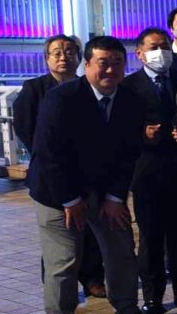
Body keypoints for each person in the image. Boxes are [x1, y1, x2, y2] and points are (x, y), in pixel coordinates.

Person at [29, 36, 146, 314]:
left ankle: (127, 310)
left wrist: (115, 198)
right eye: (103, 63)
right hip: (57, 192)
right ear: (87, 65)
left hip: (105, 190)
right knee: (64, 258)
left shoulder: (131, 100)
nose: (110, 70)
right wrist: (69, 200)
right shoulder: (62, 98)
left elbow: (130, 154)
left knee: (121, 247)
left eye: (117, 63)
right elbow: (48, 154)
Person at [13, 34, 107, 300]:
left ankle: (92, 278)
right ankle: (58, 287)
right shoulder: (34, 89)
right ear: (47, 59)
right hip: (50, 175)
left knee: (89, 232)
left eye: (69, 52)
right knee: (57, 235)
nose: (63, 57)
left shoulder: (88, 88)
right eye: (56, 52)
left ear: (79, 58)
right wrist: (49, 155)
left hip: (86, 174)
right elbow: (25, 128)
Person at [121, 27, 177, 314]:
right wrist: (140, 133)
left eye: (164, 46)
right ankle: (153, 297)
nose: (160, 52)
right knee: (151, 238)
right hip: (147, 172)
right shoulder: (128, 86)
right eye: (153, 47)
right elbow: (117, 127)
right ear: (139, 53)